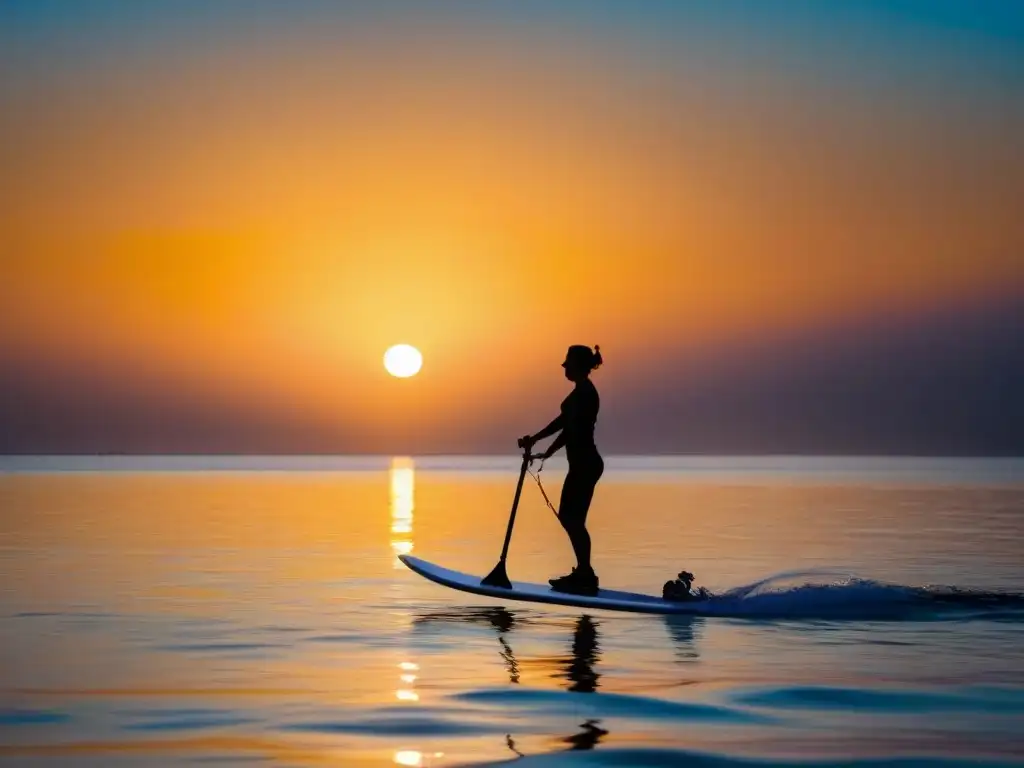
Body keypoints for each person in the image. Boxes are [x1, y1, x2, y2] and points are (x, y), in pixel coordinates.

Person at [520, 344, 604, 596]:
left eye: (568, 363)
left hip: (585, 465)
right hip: (582, 464)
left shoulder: (585, 394)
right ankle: (583, 573)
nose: (564, 367)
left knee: (572, 519)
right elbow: (567, 428)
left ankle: (585, 575)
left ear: (579, 366)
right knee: (571, 519)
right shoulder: (580, 392)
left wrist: (536, 439)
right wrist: (545, 449)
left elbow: (566, 426)